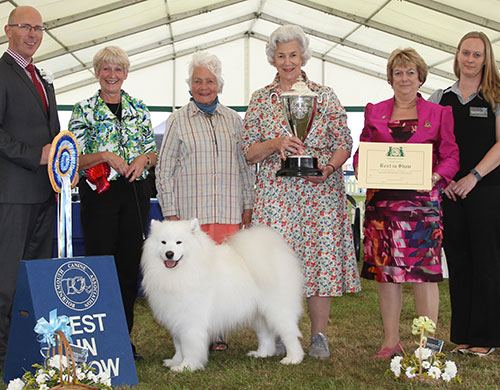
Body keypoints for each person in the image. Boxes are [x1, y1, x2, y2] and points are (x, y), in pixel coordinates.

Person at [242, 24, 361, 359]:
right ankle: (281, 332)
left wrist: (329, 168)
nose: (287, 61)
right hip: (276, 198)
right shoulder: (261, 99)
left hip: (319, 195)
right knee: (278, 267)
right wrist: (275, 143)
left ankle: (319, 335)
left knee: (318, 263)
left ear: (303, 56)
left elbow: (344, 141)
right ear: (272, 59)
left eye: (293, 54)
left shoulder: (325, 95)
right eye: (281, 55)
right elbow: (248, 151)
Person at [353, 48, 459, 359]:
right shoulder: (375, 111)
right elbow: (364, 151)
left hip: (422, 207)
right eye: (398, 73)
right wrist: (361, 166)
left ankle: (427, 346)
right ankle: (390, 342)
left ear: (420, 77)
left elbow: (452, 156)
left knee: (424, 276)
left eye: (410, 72)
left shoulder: (440, 114)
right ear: (390, 78)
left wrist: (436, 177)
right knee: (387, 276)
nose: (404, 78)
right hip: (383, 207)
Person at [155, 51, 255, 351]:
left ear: (219, 85)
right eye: (197, 81)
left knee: (222, 277)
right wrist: (171, 213)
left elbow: (246, 166)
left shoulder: (235, 121)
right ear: (190, 85)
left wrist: (248, 204)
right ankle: (189, 332)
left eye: (209, 81)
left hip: (227, 211)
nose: (203, 86)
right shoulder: (177, 120)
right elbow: (164, 169)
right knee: (190, 279)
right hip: (190, 220)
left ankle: (217, 332)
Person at [68, 46, 157, 361]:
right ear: (97, 72)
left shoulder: (139, 107)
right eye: (106, 69)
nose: (112, 75)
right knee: (99, 268)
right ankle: (97, 340)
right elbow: (74, 158)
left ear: (126, 74)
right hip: (99, 195)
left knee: (128, 270)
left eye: (118, 69)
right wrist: (105, 156)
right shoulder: (84, 110)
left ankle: (124, 340)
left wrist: (144, 160)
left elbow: (151, 150)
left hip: (135, 193)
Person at [428, 32, 500, 357]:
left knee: (487, 262)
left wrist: (473, 176)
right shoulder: (440, 97)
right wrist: (442, 179)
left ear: (486, 60)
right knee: (458, 262)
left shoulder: (496, 97)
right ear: (456, 55)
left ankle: (486, 337)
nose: (470, 60)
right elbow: (426, 141)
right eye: (465, 53)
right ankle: (464, 336)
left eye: (477, 55)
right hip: (450, 193)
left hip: (486, 189)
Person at [0, 6, 60, 366]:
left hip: (44, 193)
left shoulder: (42, 76)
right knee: (6, 279)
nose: (34, 34)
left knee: (35, 278)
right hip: (11, 195)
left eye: (39, 28)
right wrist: (35, 155)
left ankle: (27, 346)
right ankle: (3, 350)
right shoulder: (1, 73)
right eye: (26, 27)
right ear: (9, 31)